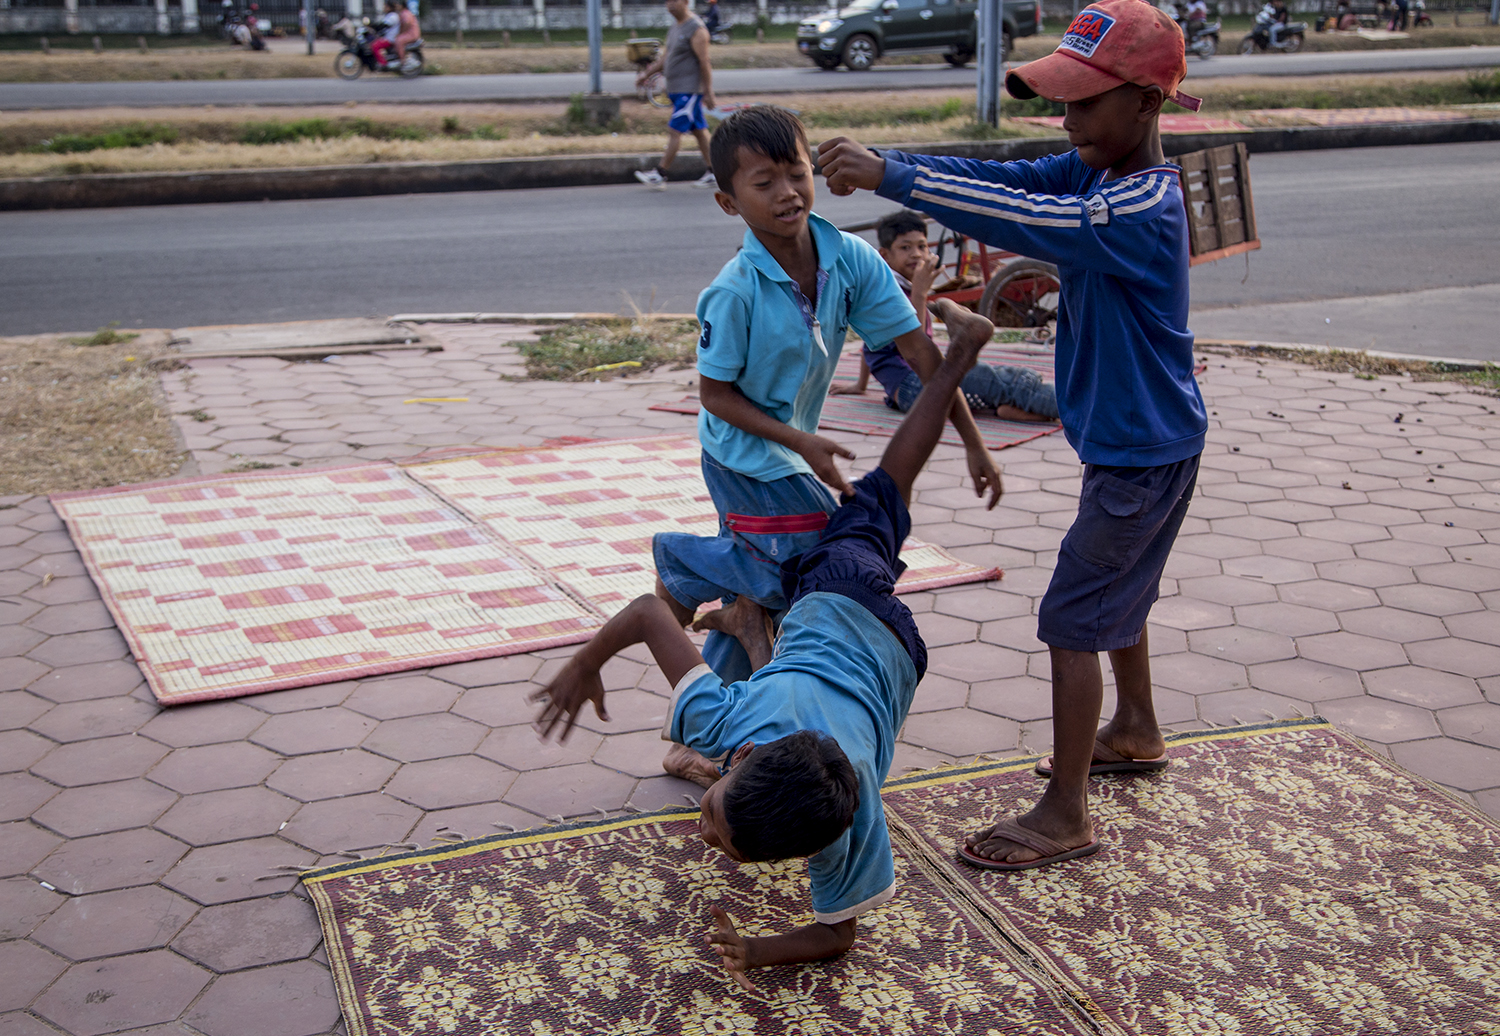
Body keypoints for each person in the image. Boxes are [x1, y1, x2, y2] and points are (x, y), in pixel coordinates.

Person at [820, 0, 1208, 871]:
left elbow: (1021, 220)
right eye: (1063, 106)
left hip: (1141, 451)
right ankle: (1136, 727)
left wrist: (890, 175)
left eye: (1085, 105)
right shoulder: (1097, 173)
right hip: (1145, 440)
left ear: (1146, 104)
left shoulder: (1135, 207)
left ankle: (1066, 813)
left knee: (1073, 619)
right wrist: (905, 168)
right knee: (1119, 591)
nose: (1068, 124)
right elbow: (1007, 181)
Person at [533, 299, 998, 988]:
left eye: (722, 842)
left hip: (898, 661)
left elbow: (837, 937)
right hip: (839, 600)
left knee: (874, 508)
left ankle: (747, 620)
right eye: (721, 824)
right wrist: (584, 664)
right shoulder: (738, 734)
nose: (704, 837)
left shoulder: (843, 804)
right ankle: (958, 355)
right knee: (860, 510)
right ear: (742, 754)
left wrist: (760, 951)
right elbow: (645, 613)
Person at [651, 105, 1001, 703]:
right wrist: (801, 442)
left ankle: (707, 728)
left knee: (767, 592)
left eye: (796, 173)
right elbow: (714, 398)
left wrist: (974, 442)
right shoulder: (732, 292)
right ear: (728, 202)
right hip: (745, 456)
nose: (787, 193)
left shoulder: (852, 260)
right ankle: (682, 563)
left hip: (794, 448)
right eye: (764, 184)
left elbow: (922, 357)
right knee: (814, 562)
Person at [831, 209, 1060, 423]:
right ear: (885, 255)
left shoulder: (902, 286)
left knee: (999, 380)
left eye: (922, 246)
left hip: (912, 388)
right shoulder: (889, 292)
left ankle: (1013, 409)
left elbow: (869, 343)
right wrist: (920, 294)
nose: (917, 254)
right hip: (914, 386)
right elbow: (915, 353)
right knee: (1004, 381)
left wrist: (861, 385)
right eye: (905, 248)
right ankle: (1071, 411)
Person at [634, 0, 718, 190]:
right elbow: (666, 57)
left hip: (689, 92)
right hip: (677, 91)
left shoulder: (696, 29)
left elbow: (705, 62)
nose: (670, 5)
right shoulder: (675, 27)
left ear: (686, 2)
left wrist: (708, 92)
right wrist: (646, 75)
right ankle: (715, 172)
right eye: (667, 1)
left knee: (675, 130)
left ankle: (660, 173)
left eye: (675, 0)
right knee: (699, 131)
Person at [371, 0, 401, 66]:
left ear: (390, 7)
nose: (384, 8)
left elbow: (384, 26)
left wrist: (373, 27)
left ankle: (383, 63)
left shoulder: (393, 16)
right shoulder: (389, 16)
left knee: (374, 46)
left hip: (390, 39)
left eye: (386, 6)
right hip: (387, 37)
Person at [394, 0, 421, 65]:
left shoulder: (406, 13)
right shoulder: (403, 13)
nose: (397, 7)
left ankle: (402, 59)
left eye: (398, 5)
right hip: (409, 33)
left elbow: (407, 23)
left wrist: (402, 31)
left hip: (411, 34)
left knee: (399, 41)